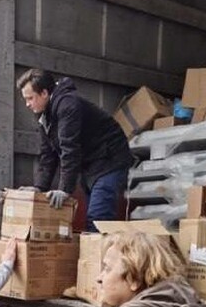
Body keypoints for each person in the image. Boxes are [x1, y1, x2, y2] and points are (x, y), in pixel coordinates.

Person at [16, 68, 134, 231]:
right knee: (91, 219)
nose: (27, 104)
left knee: (97, 217)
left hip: (110, 159)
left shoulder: (67, 105)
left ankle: (100, 256)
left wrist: (65, 190)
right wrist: (39, 188)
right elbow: (48, 155)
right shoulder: (44, 115)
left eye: (30, 98)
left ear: (44, 93)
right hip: (91, 164)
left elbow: (69, 149)